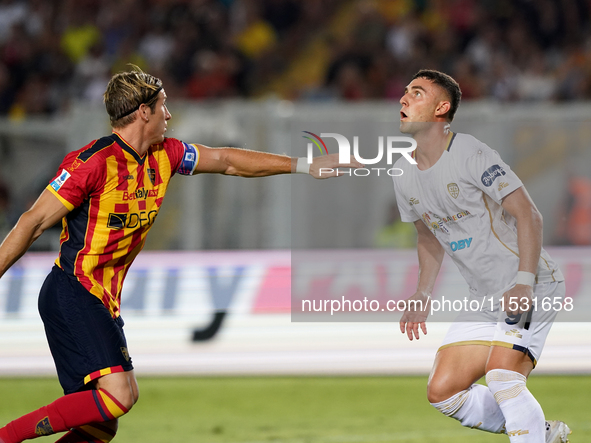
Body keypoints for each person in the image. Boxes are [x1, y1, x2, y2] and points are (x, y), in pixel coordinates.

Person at [0, 67, 361, 443]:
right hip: (73, 291)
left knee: (102, 424)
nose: (168, 115)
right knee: (118, 396)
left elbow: (226, 161)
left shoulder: (165, 155)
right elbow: (32, 221)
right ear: (143, 112)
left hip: (102, 300)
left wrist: (304, 165)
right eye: (163, 106)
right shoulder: (91, 162)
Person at [393, 69, 571, 443]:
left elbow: (529, 214)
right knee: (443, 391)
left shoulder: (471, 152)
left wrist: (524, 282)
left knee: (504, 378)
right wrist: (422, 293)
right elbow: (427, 236)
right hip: (483, 297)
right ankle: (541, 433)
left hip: (529, 283)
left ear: (441, 108)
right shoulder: (403, 170)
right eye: (406, 91)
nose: (404, 98)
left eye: (417, 93)